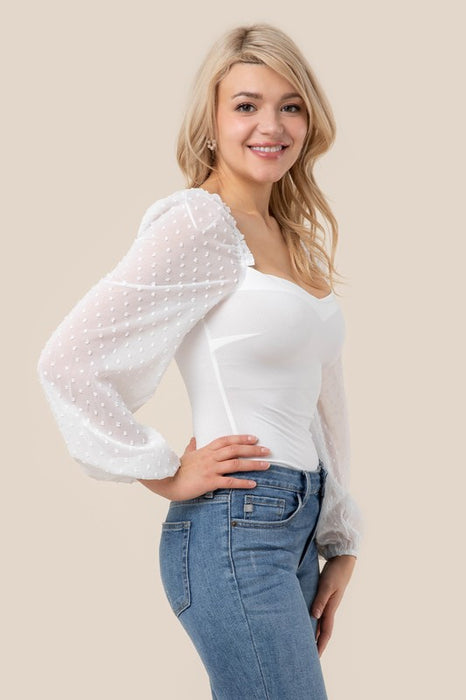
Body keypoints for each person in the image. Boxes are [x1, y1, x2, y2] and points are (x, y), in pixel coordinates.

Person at [37, 22, 364, 700]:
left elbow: (322, 402)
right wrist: (162, 470)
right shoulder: (199, 224)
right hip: (236, 527)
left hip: (298, 530)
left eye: (290, 105)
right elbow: (69, 360)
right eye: (246, 105)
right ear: (211, 123)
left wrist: (339, 537)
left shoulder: (292, 240)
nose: (271, 125)